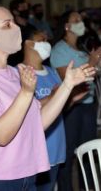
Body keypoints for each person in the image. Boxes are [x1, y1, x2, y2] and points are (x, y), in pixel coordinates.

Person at [0, 2, 96, 190]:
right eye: (7, 25)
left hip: (25, 175)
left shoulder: (14, 73)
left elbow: (38, 122)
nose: (16, 28)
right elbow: (0, 135)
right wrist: (26, 93)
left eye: (14, 23)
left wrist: (67, 86)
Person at [50, 11, 101, 191]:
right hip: (72, 107)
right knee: (69, 152)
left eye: (81, 19)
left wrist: (100, 63)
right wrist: (92, 60)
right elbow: (68, 79)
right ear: (67, 27)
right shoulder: (59, 50)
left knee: (88, 150)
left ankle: (88, 187)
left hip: (88, 104)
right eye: (76, 20)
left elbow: (89, 73)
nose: (81, 23)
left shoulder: (80, 48)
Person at [22, 30, 66, 191]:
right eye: (42, 40)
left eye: (48, 40)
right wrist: (53, 96)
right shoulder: (18, 72)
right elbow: (22, 111)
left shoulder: (52, 71)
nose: (47, 43)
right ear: (28, 44)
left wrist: (73, 95)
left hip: (55, 145)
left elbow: (61, 107)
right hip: (34, 150)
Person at [8, 0, 36, 66]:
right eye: (23, 7)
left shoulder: (32, 28)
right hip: (15, 64)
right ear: (15, 11)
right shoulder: (10, 29)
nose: (26, 10)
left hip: (31, 63)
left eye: (27, 7)